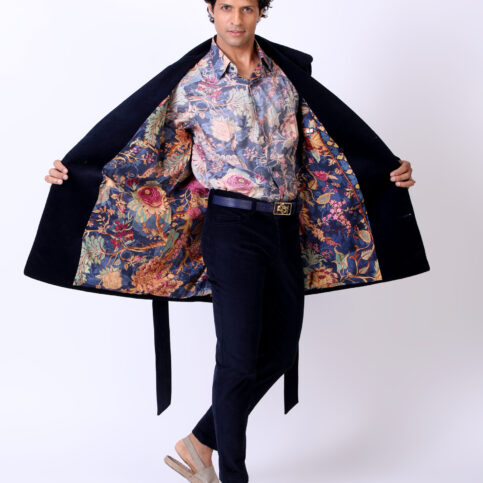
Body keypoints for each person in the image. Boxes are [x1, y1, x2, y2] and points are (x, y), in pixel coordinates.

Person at [43, 1, 418, 482]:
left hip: (284, 226)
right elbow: (141, 142)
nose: (235, 19)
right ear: (211, 10)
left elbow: (328, 143)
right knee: (238, 359)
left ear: (261, 12)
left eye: (246, 8)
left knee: (279, 351)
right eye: (225, 7)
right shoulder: (192, 82)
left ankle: (200, 441)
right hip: (231, 227)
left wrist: (385, 171)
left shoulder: (287, 76)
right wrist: (77, 172)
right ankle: (232, 477)